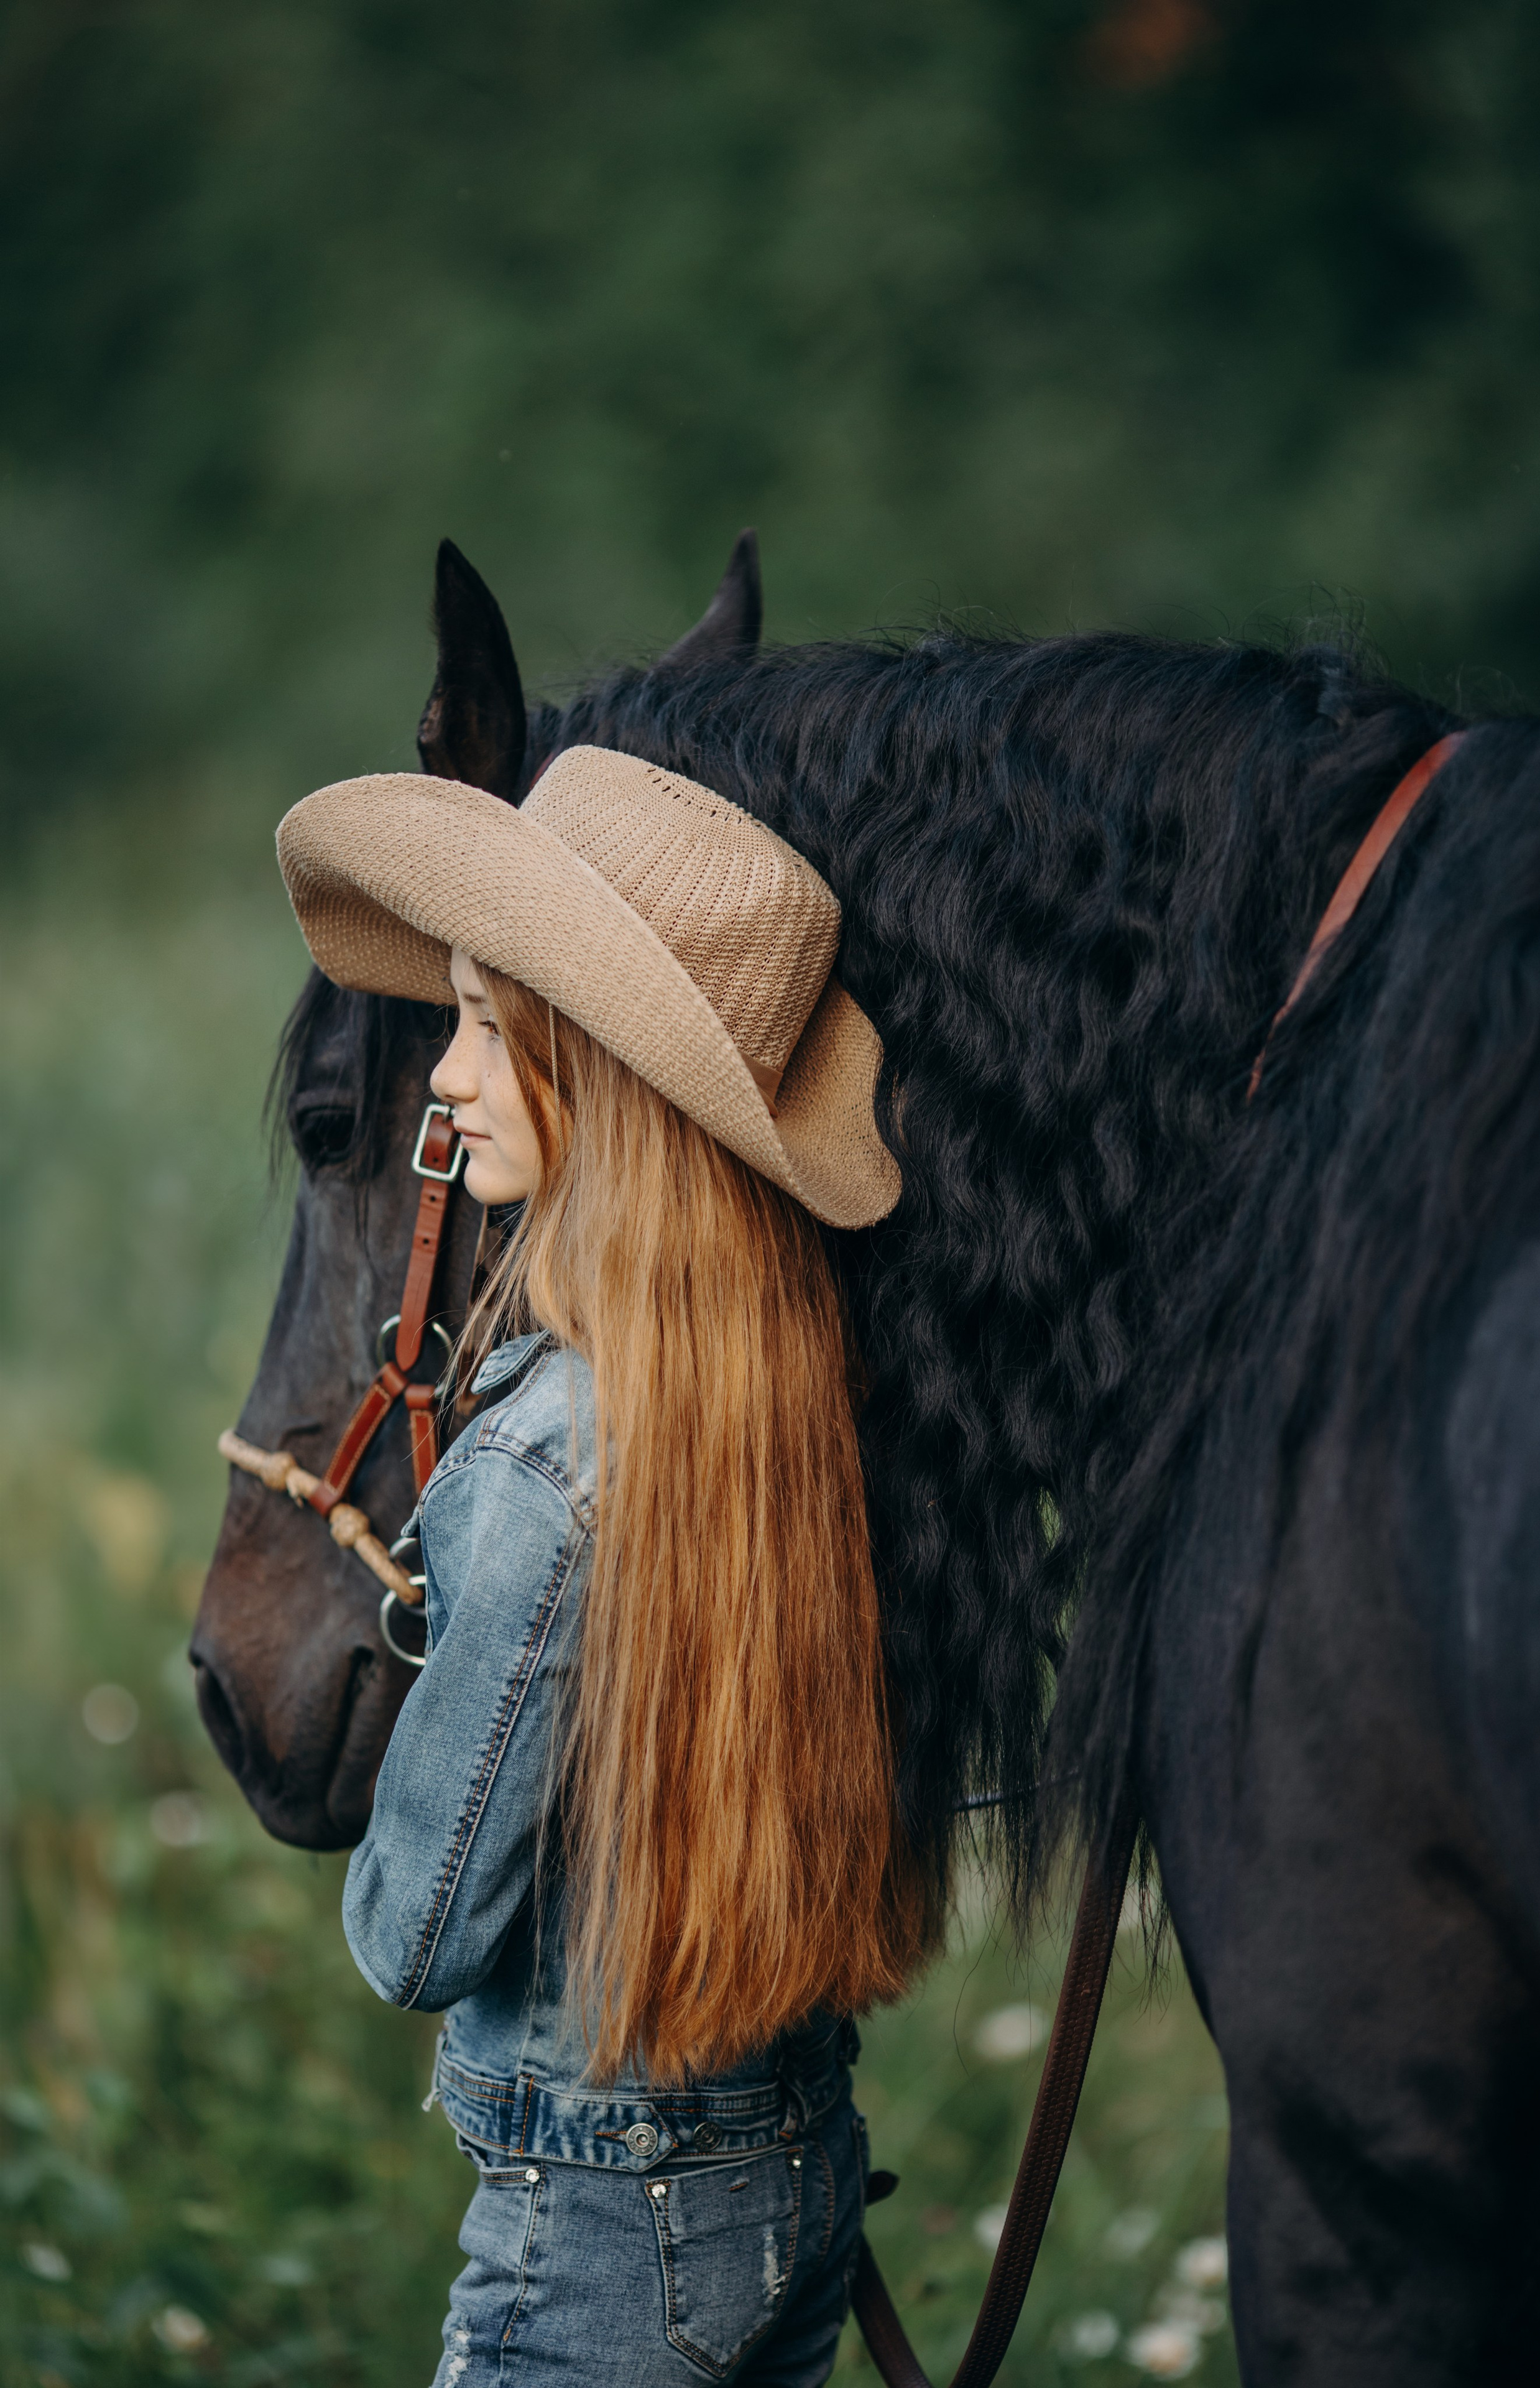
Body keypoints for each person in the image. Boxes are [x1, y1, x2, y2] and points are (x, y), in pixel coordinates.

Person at [275, 746, 944, 2385]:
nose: (445, 1078)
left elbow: (415, 1939)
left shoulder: (538, 1467)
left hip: (592, 2239)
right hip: (791, 2178)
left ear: (612, 1083)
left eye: (494, 1032)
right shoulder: (790, 1405)